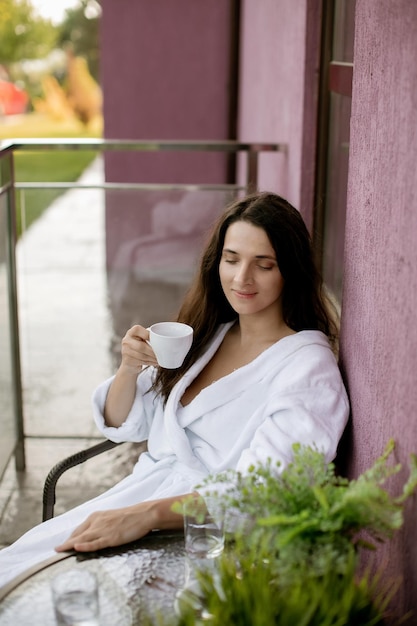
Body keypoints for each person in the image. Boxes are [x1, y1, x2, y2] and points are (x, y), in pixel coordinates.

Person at [0, 191, 349, 588]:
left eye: (263, 265)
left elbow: (266, 492)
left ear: (290, 270)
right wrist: (129, 369)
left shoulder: (307, 370)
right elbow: (121, 424)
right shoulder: (207, 335)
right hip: (136, 499)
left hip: (211, 536)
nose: (241, 278)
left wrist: (148, 515)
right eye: (231, 259)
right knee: (16, 570)